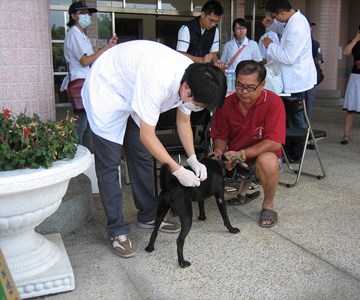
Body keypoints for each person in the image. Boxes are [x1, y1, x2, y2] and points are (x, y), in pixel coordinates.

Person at [81, 40, 227, 257]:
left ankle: (149, 215)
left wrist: (193, 158)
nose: (197, 108)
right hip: (108, 89)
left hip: (133, 89)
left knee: (141, 154)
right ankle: (117, 230)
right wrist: (177, 169)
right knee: (110, 164)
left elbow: (183, 121)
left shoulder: (192, 79)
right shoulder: (158, 79)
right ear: (186, 88)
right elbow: (148, 135)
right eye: (198, 104)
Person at [209, 60, 286, 228]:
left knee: (267, 160)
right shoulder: (226, 104)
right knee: (210, 165)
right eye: (239, 85)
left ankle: (268, 205)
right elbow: (220, 136)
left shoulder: (273, 102)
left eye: (250, 87)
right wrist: (218, 152)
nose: (243, 92)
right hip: (236, 159)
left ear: (263, 84)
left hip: (257, 159)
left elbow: (274, 143)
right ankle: (241, 190)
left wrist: (241, 154)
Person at [263, 0, 316, 162]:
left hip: (297, 81)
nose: (275, 19)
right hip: (291, 80)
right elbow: (283, 30)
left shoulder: (298, 26)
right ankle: (289, 150)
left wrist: (270, 45)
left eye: (275, 16)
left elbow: (288, 57)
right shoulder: (292, 21)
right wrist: (272, 25)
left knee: (296, 117)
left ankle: (297, 153)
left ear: (282, 13)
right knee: (288, 116)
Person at [62, 2, 118, 149]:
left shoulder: (81, 35)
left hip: (85, 82)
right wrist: (106, 47)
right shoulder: (74, 34)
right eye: (82, 13)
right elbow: (85, 60)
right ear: (74, 16)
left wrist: (108, 46)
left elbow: (90, 58)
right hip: (80, 83)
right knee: (81, 125)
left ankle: (85, 154)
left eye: (88, 13)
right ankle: (77, 154)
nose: (87, 16)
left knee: (86, 125)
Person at [176, 0, 224, 68]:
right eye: (211, 20)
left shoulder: (215, 31)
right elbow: (180, 53)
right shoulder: (186, 29)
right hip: (187, 70)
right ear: (202, 14)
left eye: (216, 22)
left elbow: (212, 53)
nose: (213, 24)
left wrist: (216, 61)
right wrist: (201, 60)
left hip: (203, 71)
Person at [306, 18, 324, 118]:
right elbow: (319, 62)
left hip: (310, 78)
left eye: (310, 27)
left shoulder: (315, 44)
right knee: (307, 105)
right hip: (307, 78)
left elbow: (319, 62)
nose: (310, 29)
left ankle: (305, 128)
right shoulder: (315, 43)